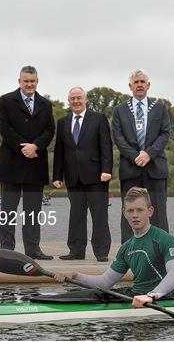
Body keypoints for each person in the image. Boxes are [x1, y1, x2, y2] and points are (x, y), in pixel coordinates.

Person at [53, 187, 174, 308]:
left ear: (150, 211)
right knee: (87, 291)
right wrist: (75, 276)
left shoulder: (164, 239)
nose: (135, 215)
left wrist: (151, 296)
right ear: (124, 213)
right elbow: (105, 282)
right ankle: (41, 300)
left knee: (94, 295)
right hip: (136, 295)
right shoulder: (126, 247)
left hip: (160, 298)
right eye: (130, 210)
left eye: (140, 210)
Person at [0, 66, 55, 260]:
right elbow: (5, 129)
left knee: (33, 211)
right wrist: (24, 147)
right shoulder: (6, 101)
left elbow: (49, 131)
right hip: (11, 162)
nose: (29, 84)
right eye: (26, 81)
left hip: (36, 164)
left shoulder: (46, 104)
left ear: (37, 81)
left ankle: (33, 249)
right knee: (8, 210)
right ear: (19, 81)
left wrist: (35, 146)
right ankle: (7, 249)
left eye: (33, 81)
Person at [53, 87, 113, 262]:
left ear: (86, 99)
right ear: (69, 100)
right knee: (76, 216)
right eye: (73, 98)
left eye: (79, 98)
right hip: (73, 177)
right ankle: (76, 251)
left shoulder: (99, 118)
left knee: (99, 215)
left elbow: (106, 146)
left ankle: (101, 252)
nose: (76, 101)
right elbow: (59, 151)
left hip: (97, 176)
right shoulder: (63, 122)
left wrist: (107, 170)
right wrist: (57, 176)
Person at [112, 70, 171, 243]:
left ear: (148, 85)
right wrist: (136, 156)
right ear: (130, 86)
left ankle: (161, 251)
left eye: (142, 81)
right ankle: (130, 254)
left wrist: (149, 154)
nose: (139, 85)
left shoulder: (160, 108)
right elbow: (117, 136)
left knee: (158, 212)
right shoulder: (120, 110)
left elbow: (165, 134)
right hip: (131, 169)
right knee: (130, 212)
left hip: (156, 168)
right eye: (136, 82)